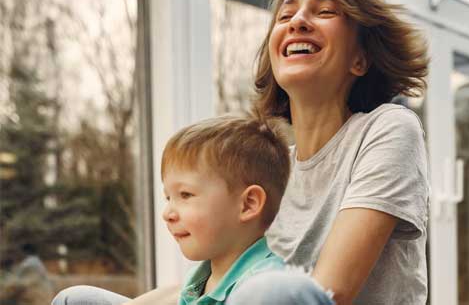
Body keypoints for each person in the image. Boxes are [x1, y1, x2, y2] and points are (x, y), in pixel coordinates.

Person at [226, 0, 430, 305]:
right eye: (286, 16)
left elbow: (328, 291)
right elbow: (216, 283)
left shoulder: (389, 128)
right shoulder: (271, 170)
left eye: (325, 12)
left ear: (360, 59)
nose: (298, 23)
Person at [52, 114, 291, 305]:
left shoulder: (265, 286)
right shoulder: (206, 273)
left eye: (185, 195)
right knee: (74, 299)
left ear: (248, 204)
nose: (167, 213)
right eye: (169, 197)